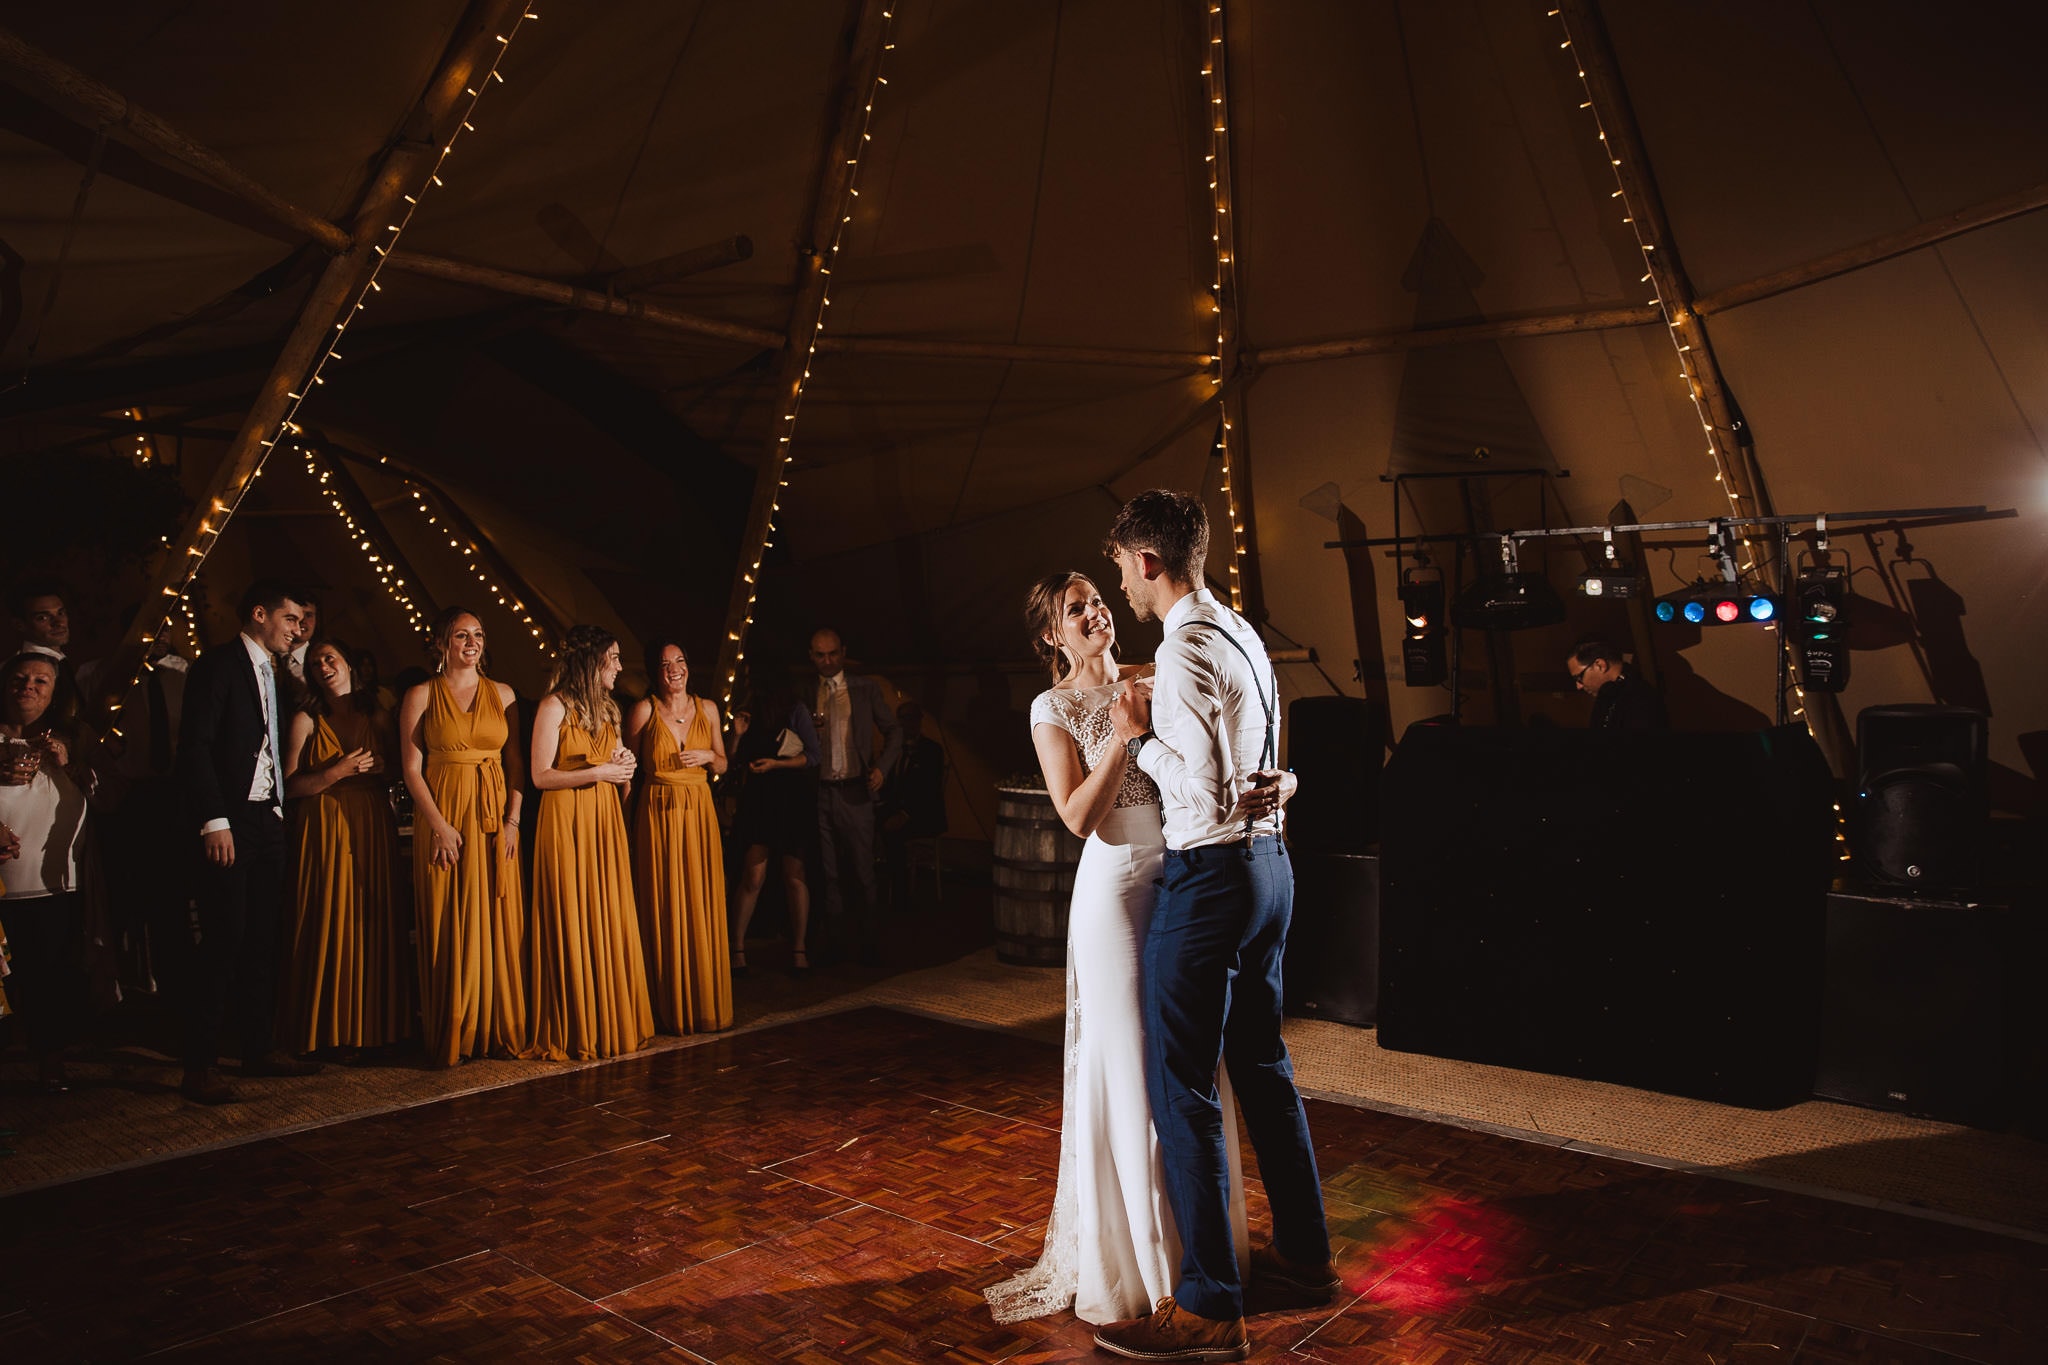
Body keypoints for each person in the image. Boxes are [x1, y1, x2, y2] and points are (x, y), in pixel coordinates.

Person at [987, 573, 1281, 1329]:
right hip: (1114, 893)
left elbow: (1214, 766)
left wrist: (1274, 784)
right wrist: (1124, 735)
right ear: (1053, 636)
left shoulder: (1156, 674)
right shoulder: (1051, 709)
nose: (1094, 612)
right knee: (1131, 1066)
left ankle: (1206, 1257)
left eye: (1096, 598)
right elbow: (1078, 816)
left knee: (1190, 1065)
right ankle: (1150, 1274)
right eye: (1075, 609)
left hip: (1186, 874)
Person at [1096, 490, 1333, 1362]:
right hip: (1272, 869)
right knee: (1264, 1065)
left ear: (1149, 561)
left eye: (1122, 563)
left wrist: (1138, 734)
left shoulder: (1183, 650)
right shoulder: (1238, 629)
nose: (1120, 580)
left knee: (1183, 1081)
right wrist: (1290, 781)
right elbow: (1265, 758)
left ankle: (1205, 1305)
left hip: (1213, 878)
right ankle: (1307, 1253)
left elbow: (1204, 791)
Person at [173, 582, 322, 1104]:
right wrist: (214, 820)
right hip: (230, 818)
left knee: (264, 934)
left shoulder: (276, 672)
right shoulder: (217, 665)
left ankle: (259, 1047)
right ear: (259, 614)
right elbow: (196, 745)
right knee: (223, 937)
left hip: (267, 818)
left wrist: (278, 808)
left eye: (302, 621)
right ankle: (200, 1064)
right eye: (289, 619)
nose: (297, 629)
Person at [399, 607, 533, 1067]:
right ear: (443, 643)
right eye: (461, 635)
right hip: (444, 815)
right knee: (445, 920)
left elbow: (516, 764)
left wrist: (512, 822)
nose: (472, 642)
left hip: (493, 817)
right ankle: (453, 1027)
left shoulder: (505, 694)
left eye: (478, 634)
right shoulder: (421, 694)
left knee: (497, 919)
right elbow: (411, 768)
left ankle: (498, 1027)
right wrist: (438, 824)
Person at [530, 625, 654, 1061]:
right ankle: (579, 1022)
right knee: (573, 915)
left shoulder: (610, 710)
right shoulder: (553, 706)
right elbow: (540, 776)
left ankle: (611, 1018)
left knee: (607, 914)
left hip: (604, 821)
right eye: (615, 658)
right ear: (593, 659)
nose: (620, 667)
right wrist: (599, 771)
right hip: (565, 822)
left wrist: (624, 765)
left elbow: (618, 778)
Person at [281, 638, 408, 1054]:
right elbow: (289, 785)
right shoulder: (306, 718)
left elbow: (397, 770)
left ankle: (374, 1028)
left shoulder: (378, 715)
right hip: (323, 823)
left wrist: (383, 770)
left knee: (371, 917)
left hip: (371, 821)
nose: (322, 667)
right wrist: (335, 772)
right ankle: (324, 1029)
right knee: (326, 917)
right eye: (315, 663)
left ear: (349, 663)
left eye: (330, 658)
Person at [623, 639, 731, 1034]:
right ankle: (668, 1004)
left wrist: (707, 758)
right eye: (666, 663)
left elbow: (723, 762)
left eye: (681, 661)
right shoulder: (643, 711)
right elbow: (629, 772)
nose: (675, 669)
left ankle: (704, 1001)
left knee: (700, 900)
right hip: (658, 812)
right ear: (656, 671)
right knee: (665, 901)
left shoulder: (708, 709)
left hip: (699, 811)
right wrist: (624, 821)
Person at [0, 653, 93, 1092]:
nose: (29, 687)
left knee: (51, 976)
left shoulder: (68, 742)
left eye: (41, 681)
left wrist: (69, 763)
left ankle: (50, 1062)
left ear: (55, 694)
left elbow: (103, 800)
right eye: (20, 678)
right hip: (4, 883)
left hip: (56, 881)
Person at [807, 628, 900, 965]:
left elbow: (894, 730)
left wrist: (882, 770)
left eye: (833, 654)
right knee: (828, 872)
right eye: (820, 655)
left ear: (843, 652)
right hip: (820, 792)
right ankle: (835, 945)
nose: (828, 661)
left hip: (855, 790)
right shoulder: (807, 692)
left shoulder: (863, 689)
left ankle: (870, 944)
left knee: (863, 871)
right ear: (811, 655)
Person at [728, 676, 820, 974]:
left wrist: (775, 764)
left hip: (789, 797)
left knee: (794, 873)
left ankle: (799, 949)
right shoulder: (748, 712)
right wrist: (738, 735)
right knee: (754, 875)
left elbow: (812, 756)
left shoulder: (795, 709)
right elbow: (731, 761)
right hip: (760, 800)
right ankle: (738, 949)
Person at [878, 699, 946, 910]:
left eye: (912, 718)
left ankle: (898, 898)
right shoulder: (892, 750)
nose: (908, 723)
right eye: (903, 718)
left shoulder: (931, 751)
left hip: (922, 814)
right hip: (894, 809)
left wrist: (905, 814)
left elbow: (928, 791)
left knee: (894, 834)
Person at [1567, 636, 1669, 730]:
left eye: (1579, 677)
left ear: (1600, 665)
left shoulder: (1641, 699)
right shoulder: (1606, 696)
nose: (1578, 686)